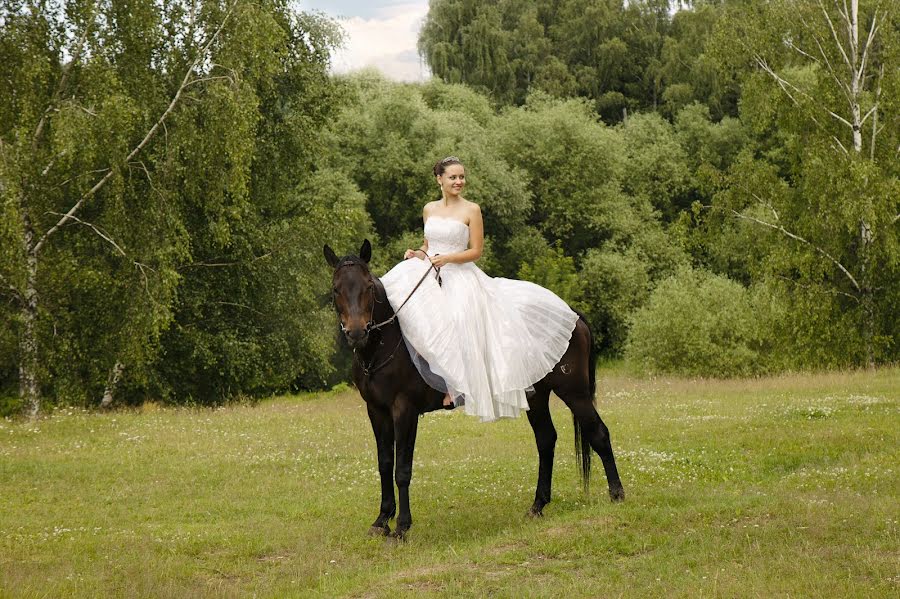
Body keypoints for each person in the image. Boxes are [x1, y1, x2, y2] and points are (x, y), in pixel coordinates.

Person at [380, 156, 579, 422]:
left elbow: (475, 251)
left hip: (460, 274)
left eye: (462, 177)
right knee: (409, 310)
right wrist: (417, 253)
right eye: (453, 177)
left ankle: (457, 387)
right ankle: (424, 380)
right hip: (430, 270)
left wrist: (448, 259)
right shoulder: (429, 209)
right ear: (439, 179)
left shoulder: (471, 210)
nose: (459, 182)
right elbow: (429, 245)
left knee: (459, 317)